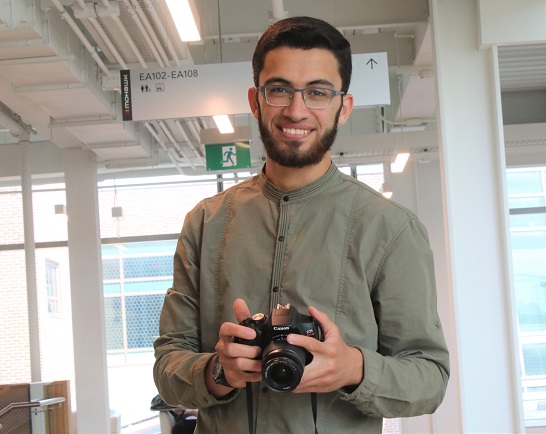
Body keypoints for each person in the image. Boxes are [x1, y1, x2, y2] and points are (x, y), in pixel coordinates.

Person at [153, 16, 450, 434]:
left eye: (317, 92)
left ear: (342, 107)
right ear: (256, 101)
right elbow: (168, 364)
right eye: (279, 90)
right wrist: (218, 371)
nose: (296, 110)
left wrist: (354, 369)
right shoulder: (205, 223)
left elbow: (430, 378)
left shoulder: (390, 229)